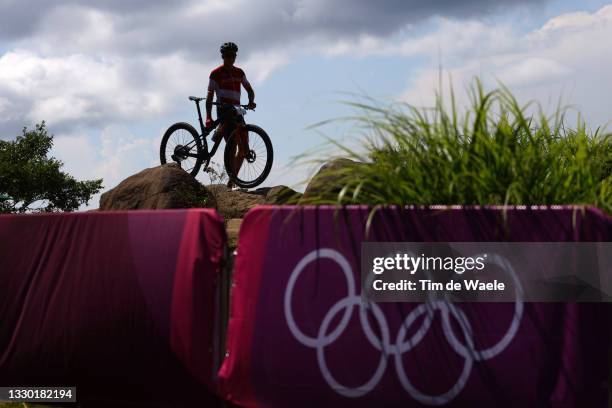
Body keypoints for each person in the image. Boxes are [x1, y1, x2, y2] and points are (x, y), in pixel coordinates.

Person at [205, 42, 256, 188]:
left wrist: (251, 101)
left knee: (244, 147)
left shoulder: (239, 72)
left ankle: (233, 179)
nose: (231, 58)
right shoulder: (216, 73)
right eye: (228, 56)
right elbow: (209, 96)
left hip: (237, 110)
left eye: (233, 55)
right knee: (232, 145)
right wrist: (208, 116)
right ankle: (232, 180)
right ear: (223, 56)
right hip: (224, 110)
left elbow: (249, 90)